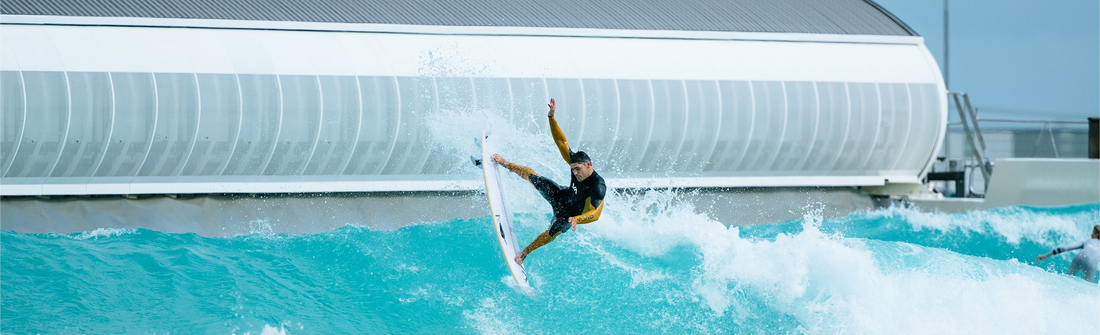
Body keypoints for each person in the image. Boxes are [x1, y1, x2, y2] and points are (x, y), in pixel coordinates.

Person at [492, 98, 606, 266]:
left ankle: (524, 253)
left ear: (588, 165)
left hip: (571, 215)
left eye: (578, 169)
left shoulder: (598, 186)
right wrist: (551, 117)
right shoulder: (575, 163)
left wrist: (577, 219)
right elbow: (561, 142)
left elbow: (595, 214)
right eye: (573, 169)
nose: (575, 173)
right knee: (534, 177)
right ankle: (505, 163)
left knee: (553, 231)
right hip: (563, 196)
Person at [1035, 225, 1100, 283]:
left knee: (1066, 280)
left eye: (1093, 233)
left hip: (1079, 257)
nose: (1091, 235)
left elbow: (1064, 248)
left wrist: (1046, 255)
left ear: (1096, 235)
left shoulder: (1087, 241)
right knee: (1087, 285)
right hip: (1091, 263)